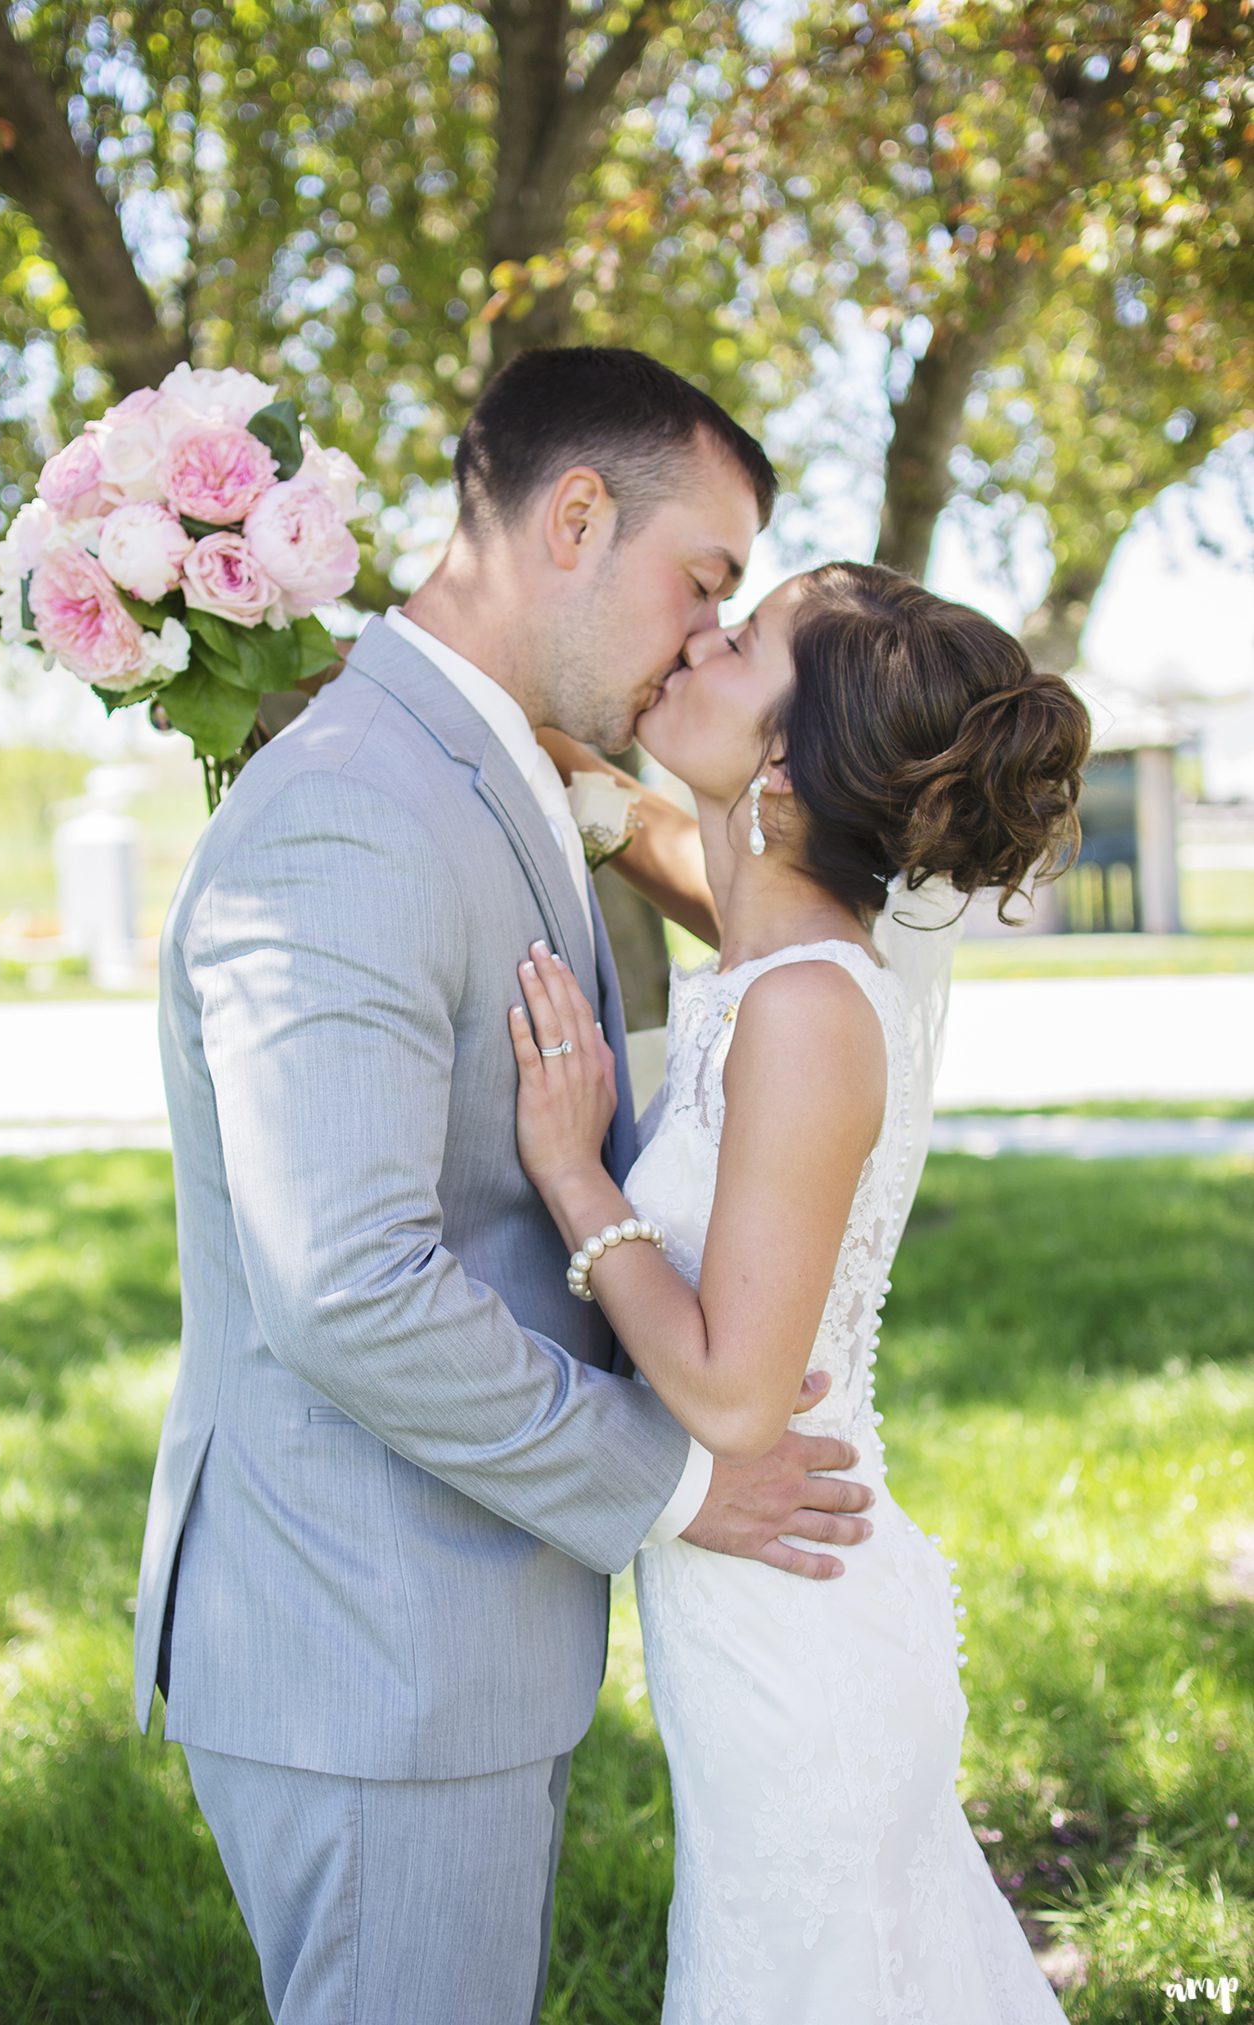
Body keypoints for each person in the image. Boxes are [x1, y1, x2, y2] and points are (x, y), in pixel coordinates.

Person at [133, 349, 882, 2024]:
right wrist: (678, 1489)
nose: (704, 635)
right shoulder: (349, 811)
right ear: (573, 514)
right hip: (370, 1655)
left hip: (450, 1641)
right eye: (702, 581)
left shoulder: (481, 763)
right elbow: (344, 1286)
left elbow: (782, 931)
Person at [511, 562, 1092, 2023]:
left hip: (800, 1647)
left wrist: (576, 1173)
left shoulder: (812, 1007)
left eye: (742, 636)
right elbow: (698, 855)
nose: (697, 633)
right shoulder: (775, 955)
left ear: (779, 758)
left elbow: (729, 1391)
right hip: (762, 1617)